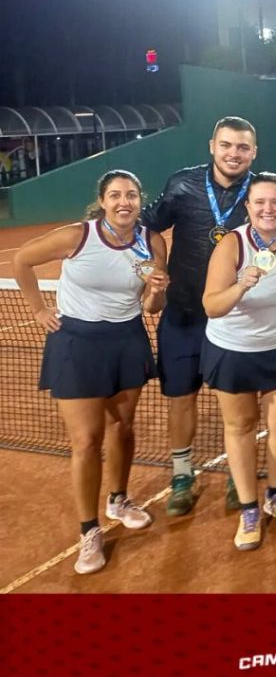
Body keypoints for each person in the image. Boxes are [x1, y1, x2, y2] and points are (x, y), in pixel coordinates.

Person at [12, 170, 169, 574]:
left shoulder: (152, 242)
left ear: (140, 200)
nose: (124, 202)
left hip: (127, 340)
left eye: (131, 195)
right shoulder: (77, 236)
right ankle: (89, 530)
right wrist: (38, 310)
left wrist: (157, 290)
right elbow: (22, 260)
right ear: (102, 201)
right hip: (77, 343)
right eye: (115, 195)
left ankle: (118, 499)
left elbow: (151, 307)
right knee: (85, 440)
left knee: (123, 428)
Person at [140, 115, 258, 516]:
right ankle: (181, 476)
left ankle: (237, 476)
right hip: (183, 313)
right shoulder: (182, 184)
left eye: (242, 147)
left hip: (234, 317)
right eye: (226, 145)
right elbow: (145, 226)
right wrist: (154, 265)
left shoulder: (259, 191)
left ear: (253, 152)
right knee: (180, 398)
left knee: (237, 402)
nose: (233, 153)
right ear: (212, 146)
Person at [202, 172, 276, 551]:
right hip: (233, 349)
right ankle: (249, 508)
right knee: (241, 426)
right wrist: (241, 284)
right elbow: (211, 305)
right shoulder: (232, 244)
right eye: (259, 202)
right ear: (248, 207)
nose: (268, 209)